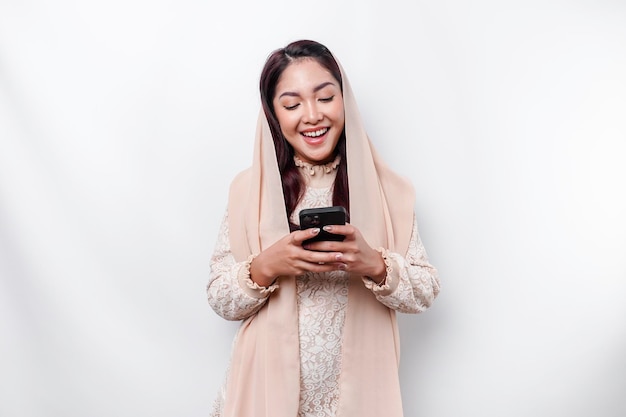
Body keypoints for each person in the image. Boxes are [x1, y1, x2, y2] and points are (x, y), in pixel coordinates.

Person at [207, 39, 440, 417]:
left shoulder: (390, 191)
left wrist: (375, 265)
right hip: (262, 392)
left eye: (325, 97)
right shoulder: (249, 190)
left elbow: (426, 291)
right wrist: (266, 266)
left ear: (345, 100)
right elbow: (219, 297)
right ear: (274, 115)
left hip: (356, 398)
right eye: (292, 104)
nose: (312, 115)